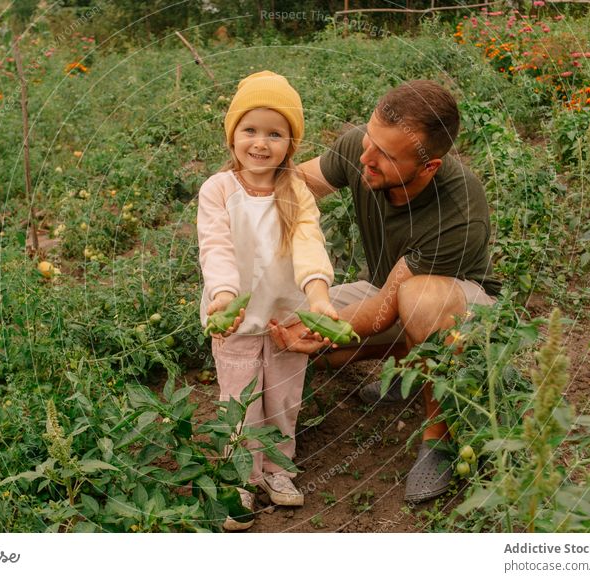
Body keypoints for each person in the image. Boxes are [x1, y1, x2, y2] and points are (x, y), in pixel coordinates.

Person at [269, 79, 501, 503]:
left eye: (386, 156)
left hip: (462, 308)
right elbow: (299, 184)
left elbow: (384, 308)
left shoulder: (460, 208)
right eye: (370, 140)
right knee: (289, 320)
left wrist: (320, 328)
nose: (365, 159)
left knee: (419, 302)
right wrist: (241, 189)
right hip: (388, 290)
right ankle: (409, 367)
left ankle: (439, 440)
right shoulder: (365, 148)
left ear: (428, 166)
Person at [197, 71, 338, 530]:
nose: (260, 143)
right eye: (250, 130)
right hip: (234, 318)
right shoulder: (218, 189)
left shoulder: (295, 190)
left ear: (291, 144)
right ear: (232, 134)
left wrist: (318, 295)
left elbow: (308, 242)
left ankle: (277, 469)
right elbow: (215, 245)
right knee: (239, 400)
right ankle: (240, 476)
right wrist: (222, 295)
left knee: (282, 398)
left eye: (275, 133)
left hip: (285, 317)